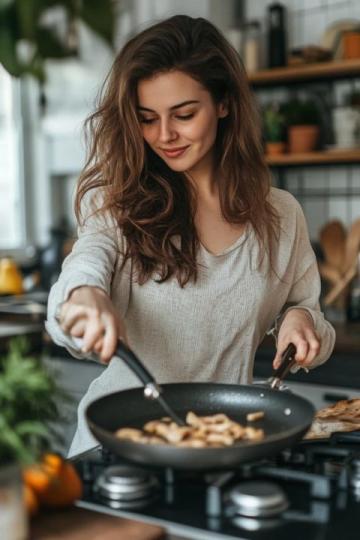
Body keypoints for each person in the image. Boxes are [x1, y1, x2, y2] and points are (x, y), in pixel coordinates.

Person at [46, 15, 335, 457]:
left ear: (223, 104)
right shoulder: (117, 205)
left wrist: (300, 322)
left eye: (184, 114)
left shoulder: (279, 215)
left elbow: (309, 314)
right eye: (147, 118)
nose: (164, 136)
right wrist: (83, 296)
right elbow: (85, 266)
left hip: (222, 443)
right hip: (118, 448)